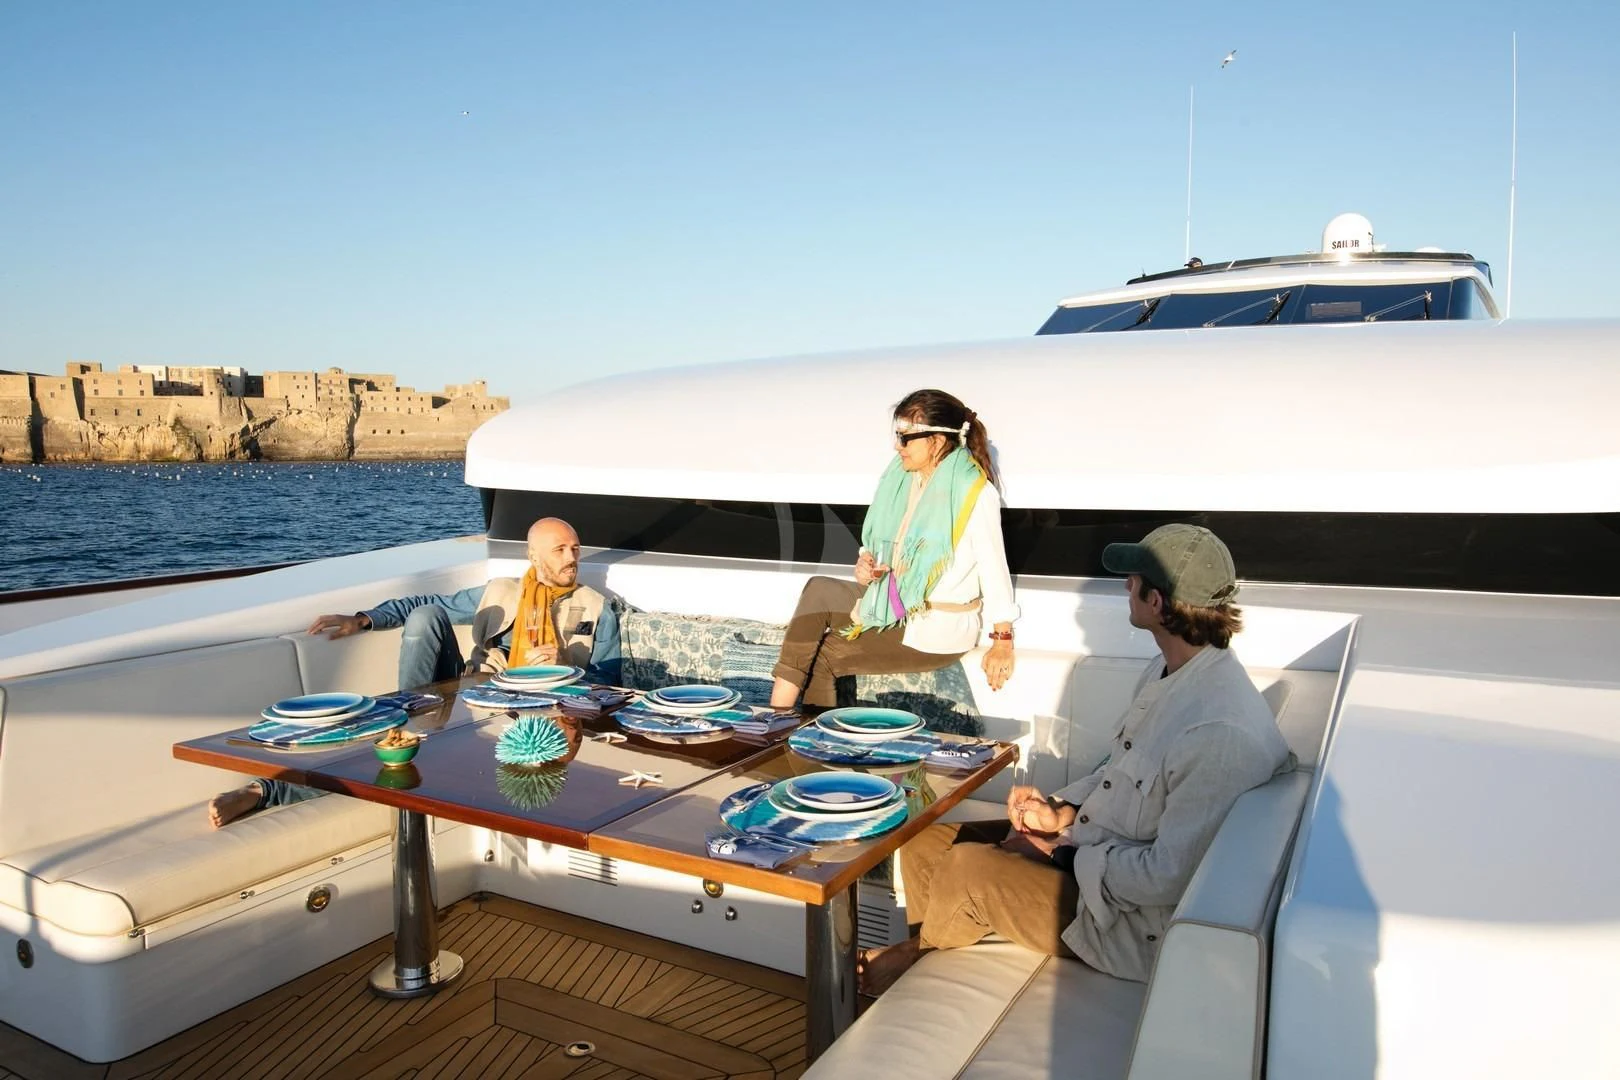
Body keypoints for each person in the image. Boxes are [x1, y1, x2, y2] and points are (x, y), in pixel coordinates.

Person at [858, 524, 1293, 994]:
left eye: (1134, 580)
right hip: (1093, 854)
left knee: (965, 868)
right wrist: (1059, 813)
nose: (1126, 586)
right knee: (925, 846)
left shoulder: (1217, 734)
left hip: (1125, 921)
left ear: (1157, 602)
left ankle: (912, 959)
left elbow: (1168, 879)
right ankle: (926, 969)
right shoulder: (1170, 670)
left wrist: (1064, 854)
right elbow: (1116, 770)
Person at [206, 517, 620, 828]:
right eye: (560, 550)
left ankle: (271, 789)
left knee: (389, 748)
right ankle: (405, 724)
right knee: (426, 616)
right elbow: (422, 603)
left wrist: (564, 669)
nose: (572, 558)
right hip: (475, 694)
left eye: (575, 549)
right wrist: (363, 619)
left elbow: (609, 683)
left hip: (542, 714)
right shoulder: (501, 591)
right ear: (533, 556)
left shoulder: (598, 607)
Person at [768, 388, 1018, 710]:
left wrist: (1002, 642)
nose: (897, 446)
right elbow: (886, 548)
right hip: (894, 601)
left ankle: (794, 728)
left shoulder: (974, 493)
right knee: (819, 589)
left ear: (937, 440)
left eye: (906, 437)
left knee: (827, 655)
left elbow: (994, 567)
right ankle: (775, 719)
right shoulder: (903, 482)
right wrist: (867, 566)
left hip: (935, 627)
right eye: (898, 435)